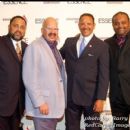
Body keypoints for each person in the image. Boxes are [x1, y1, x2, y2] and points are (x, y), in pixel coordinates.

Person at [60, 13, 109, 130]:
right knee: (71, 127)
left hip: (91, 99)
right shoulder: (69, 42)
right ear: (78, 25)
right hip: (71, 97)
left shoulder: (102, 46)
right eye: (82, 23)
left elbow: (104, 74)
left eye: (89, 24)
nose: (85, 26)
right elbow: (56, 57)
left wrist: (101, 98)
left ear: (94, 25)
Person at [22, 17, 66, 130]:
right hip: (44, 106)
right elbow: (29, 78)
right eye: (49, 28)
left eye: (55, 29)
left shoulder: (54, 48)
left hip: (53, 106)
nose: (53, 31)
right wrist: (40, 102)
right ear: (42, 30)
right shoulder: (34, 47)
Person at [0, 16, 27, 130]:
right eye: (15, 26)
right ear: (9, 27)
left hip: (18, 106)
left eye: (22, 27)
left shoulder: (27, 48)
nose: (18, 29)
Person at [104, 11, 130, 130]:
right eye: (116, 23)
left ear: (129, 23)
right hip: (117, 97)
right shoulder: (107, 43)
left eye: (123, 22)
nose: (120, 26)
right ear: (113, 25)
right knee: (120, 127)